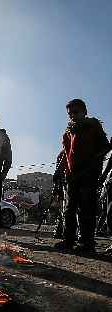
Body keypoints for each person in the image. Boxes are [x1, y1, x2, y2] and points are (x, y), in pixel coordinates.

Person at [53, 99, 110, 253]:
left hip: (89, 174)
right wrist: (58, 172)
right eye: (70, 113)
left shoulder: (92, 126)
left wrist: (93, 162)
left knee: (86, 208)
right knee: (69, 209)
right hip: (72, 176)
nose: (72, 115)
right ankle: (68, 240)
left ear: (84, 112)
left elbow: (106, 146)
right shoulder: (68, 132)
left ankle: (87, 243)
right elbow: (66, 154)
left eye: (75, 112)